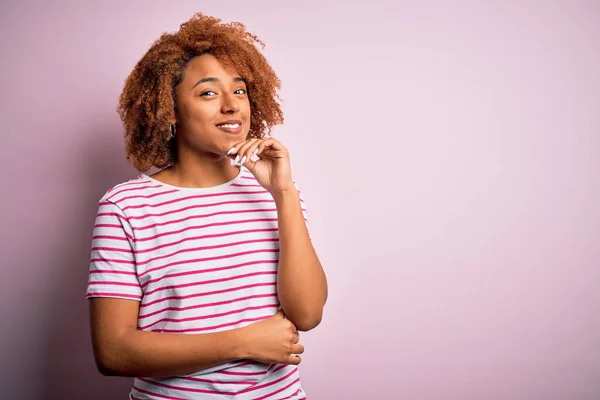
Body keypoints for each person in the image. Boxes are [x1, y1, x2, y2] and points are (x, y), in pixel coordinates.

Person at [86, 13, 328, 400]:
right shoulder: (127, 207)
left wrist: (283, 194)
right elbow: (113, 351)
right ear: (170, 111)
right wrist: (242, 342)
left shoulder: (275, 193)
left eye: (240, 90)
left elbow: (308, 314)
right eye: (208, 93)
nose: (232, 106)